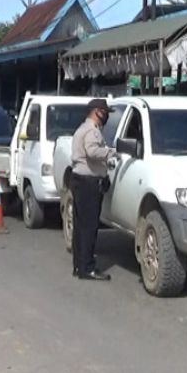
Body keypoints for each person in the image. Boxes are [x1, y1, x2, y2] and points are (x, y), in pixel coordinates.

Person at [70, 99, 117, 281]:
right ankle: (87, 268)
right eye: (105, 112)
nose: (106, 116)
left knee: (80, 227)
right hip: (88, 182)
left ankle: (79, 265)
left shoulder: (82, 128)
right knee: (89, 227)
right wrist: (111, 153)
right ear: (97, 112)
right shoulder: (92, 131)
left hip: (79, 180)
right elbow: (92, 151)